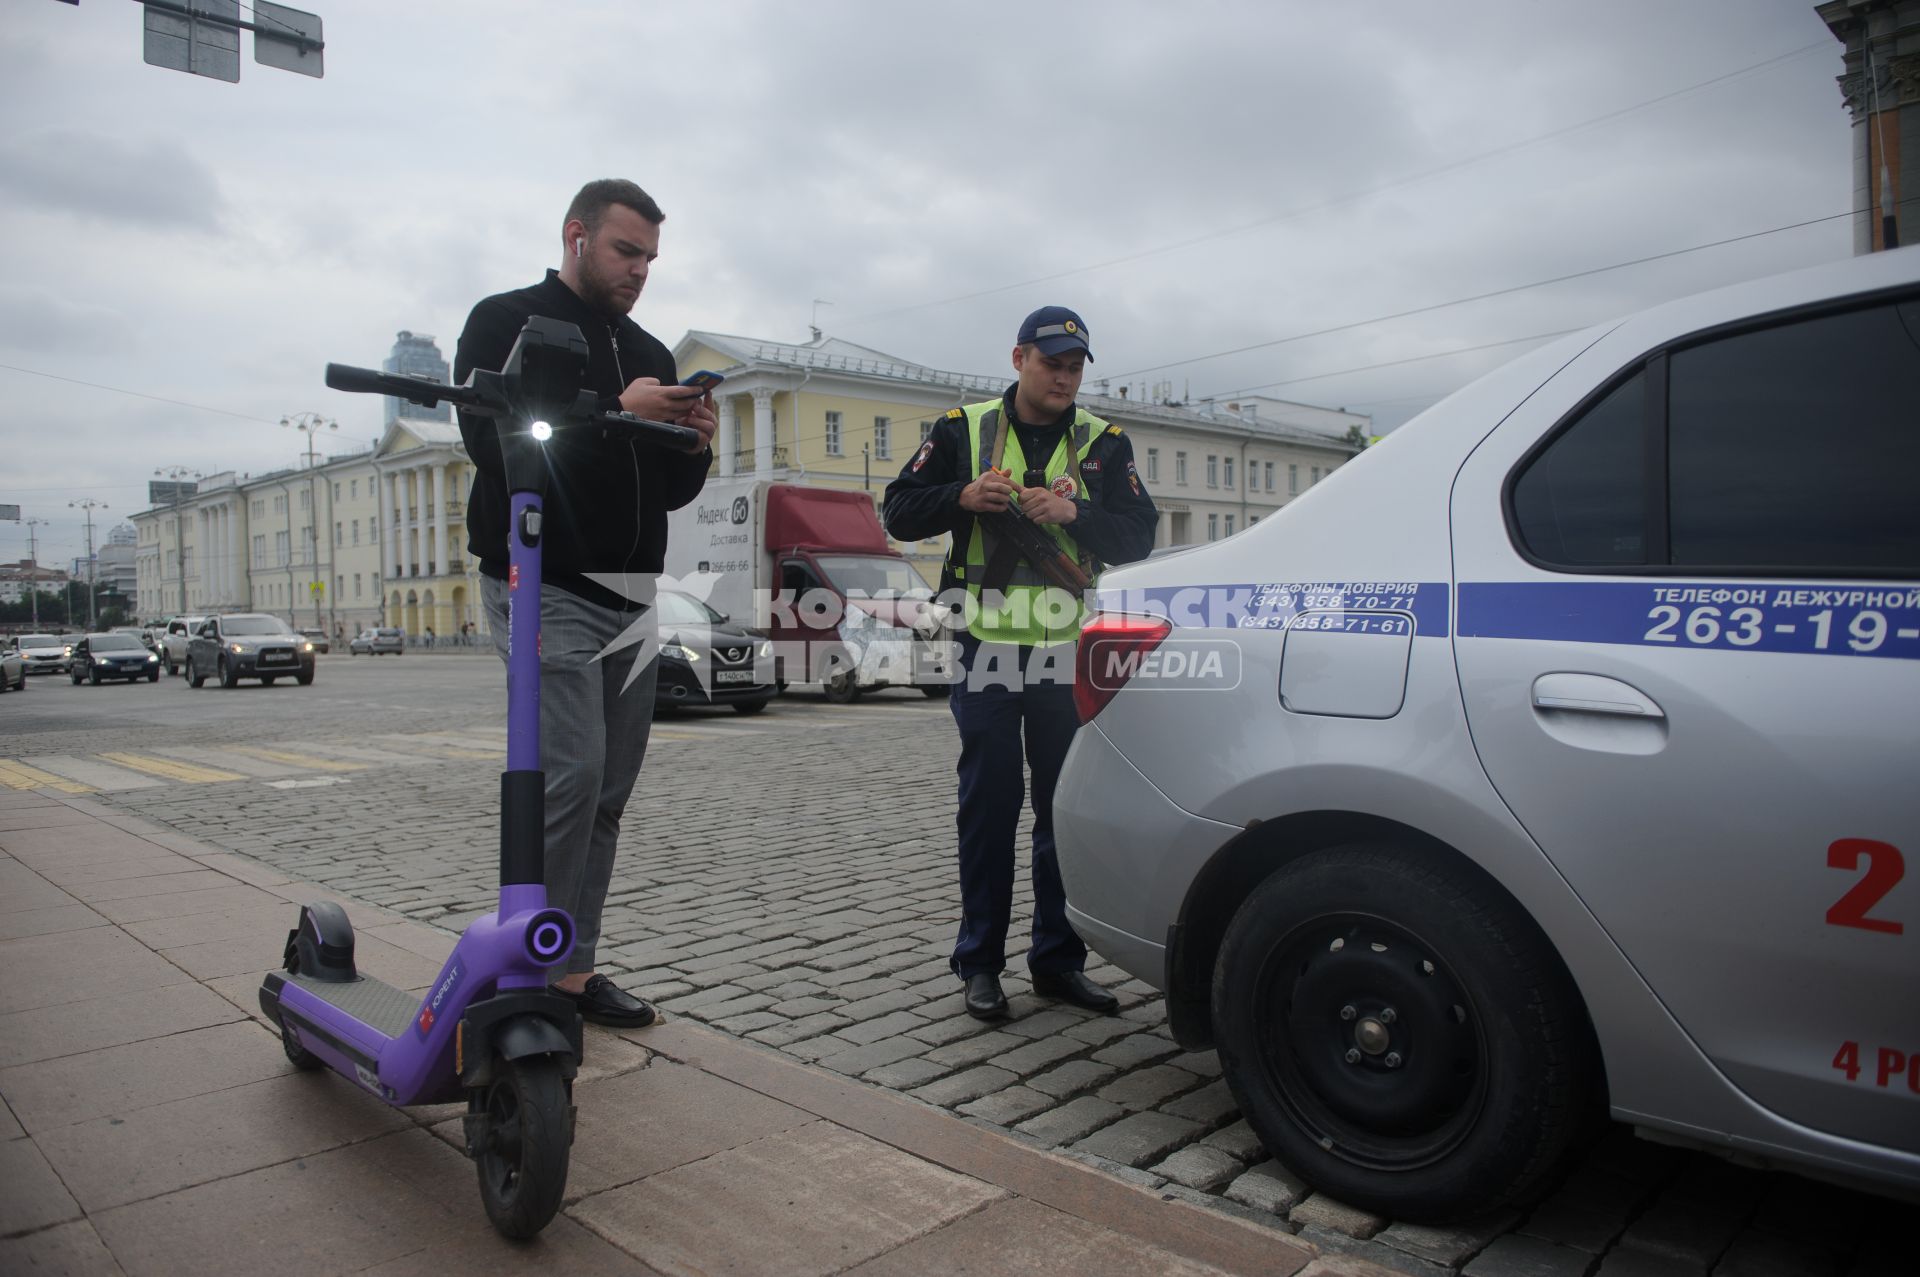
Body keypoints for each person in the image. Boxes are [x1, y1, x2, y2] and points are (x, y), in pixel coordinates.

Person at [455, 178, 717, 1028]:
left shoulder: (651, 349)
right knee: (568, 775)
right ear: (576, 235)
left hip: (633, 595)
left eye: (649, 257)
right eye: (625, 250)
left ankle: (568, 969)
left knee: (607, 789)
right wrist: (616, 409)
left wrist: (695, 442)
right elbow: (495, 444)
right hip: (544, 583)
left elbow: (667, 490)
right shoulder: (506, 320)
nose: (640, 269)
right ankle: (521, 971)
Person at [883, 306, 1157, 1019]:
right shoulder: (962, 429)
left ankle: (1058, 961)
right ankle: (979, 964)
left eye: (1075, 366)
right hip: (987, 648)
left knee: (1062, 811)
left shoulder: (1104, 442)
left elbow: (1139, 536)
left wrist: (1074, 516)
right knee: (990, 805)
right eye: (1052, 362)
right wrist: (962, 496)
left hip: (1068, 648)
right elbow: (898, 511)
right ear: (1019, 359)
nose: (1064, 376)